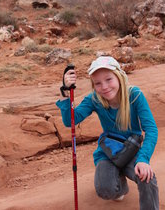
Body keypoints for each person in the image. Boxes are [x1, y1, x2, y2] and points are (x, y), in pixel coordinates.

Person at [56, 56, 159, 210]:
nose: (104, 87)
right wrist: (65, 92)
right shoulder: (95, 99)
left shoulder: (135, 95)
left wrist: (143, 160)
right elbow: (70, 121)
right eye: (97, 83)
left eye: (109, 79)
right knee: (106, 190)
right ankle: (121, 185)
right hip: (109, 152)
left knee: (147, 178)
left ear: (118, 76)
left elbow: (151, 129)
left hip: (132, 150)